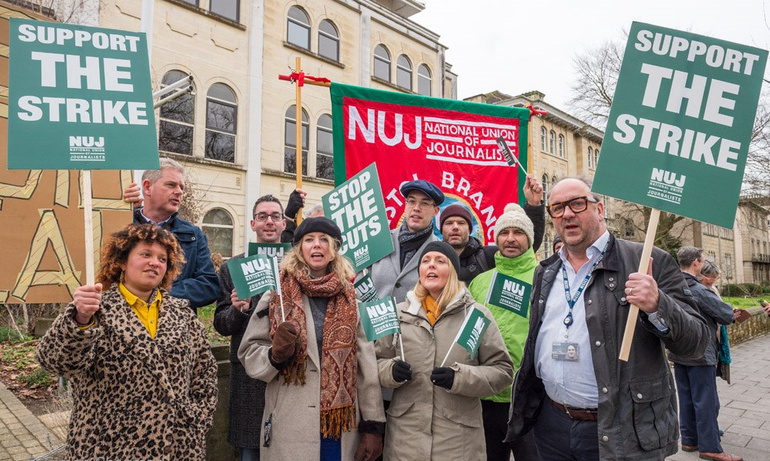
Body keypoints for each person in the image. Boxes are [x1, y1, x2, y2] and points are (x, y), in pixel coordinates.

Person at [507, 177, 709, 460]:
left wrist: (658, 304)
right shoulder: (546, 270)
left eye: (577, 203)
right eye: (557, 208)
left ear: (600, 210)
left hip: (620, 428)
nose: (567, 214)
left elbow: (696, 343)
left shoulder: (647, 260)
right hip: (550, 424)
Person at [36, 224, 218, 460]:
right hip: (109, 446)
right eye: (146, 255)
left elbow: (205, 372)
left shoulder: (182, 314)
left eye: (162, 259)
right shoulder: (93, 309)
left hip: (176, 446)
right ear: (122, 261)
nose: (155, 262)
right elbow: (57, 363)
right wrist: (80, 319)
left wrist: (198, 419)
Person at [238, 217, 386, 460]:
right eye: (309, 240)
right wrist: (274, 356)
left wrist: (373, 427)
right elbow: (249, 351)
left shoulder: (351, 301)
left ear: (334, 250)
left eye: (324, 240)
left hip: (337, 426)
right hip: (289, 422)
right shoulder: (275, 296)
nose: (317, 245)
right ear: (299, 249)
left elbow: (366, 369)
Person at [375, 241, 513, 461]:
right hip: (406, 442)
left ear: (453, 270)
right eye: (426, 261)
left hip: (458, 444)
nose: (431, 266)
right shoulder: (396, 313)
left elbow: (502, 371)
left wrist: (459, 378)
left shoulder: (476, 315)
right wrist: (390, 372)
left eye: (440, 261)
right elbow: (376, 362)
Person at [214, 194, 288, 460]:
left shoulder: (298, 266)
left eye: (275, 216)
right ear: (253, 224)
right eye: (262, 216)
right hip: (249, 375)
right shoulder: (232, 268)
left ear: (283, 224)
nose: (269, 221)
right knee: (251, 451)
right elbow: (221, 324)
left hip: (290, 371)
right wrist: (237, 310)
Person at [468, 203, 540, 460]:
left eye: (518, 233)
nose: (510, 238)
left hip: (529, 400)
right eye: (504, 232)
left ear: (529, 239)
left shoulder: (544, 277)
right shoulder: (480, 282)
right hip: (486, 399)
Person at [671, 247, 742, 461]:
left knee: (685, 398)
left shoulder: (671, 284)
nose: (703, 263)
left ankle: (689, 439)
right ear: (695, 263)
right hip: (701, 351)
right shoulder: (699, 289)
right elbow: (725, 314)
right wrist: (732, 313)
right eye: (702, 260)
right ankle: (711, 447)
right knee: (705, 400)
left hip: (678, 350)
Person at [123, 158, 219, 311]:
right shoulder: (123, 226)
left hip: (175, 328)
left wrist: (158, 293)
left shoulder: (193, 234)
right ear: (147, 187)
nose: (179, 192)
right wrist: (116, 205)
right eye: (171, 185)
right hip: (127, 322)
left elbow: (208, 285)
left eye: (181, 187)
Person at [441, 174, 546, 283]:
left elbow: (526, 247)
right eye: (449, 223)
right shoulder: (432, 256)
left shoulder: (487, 256)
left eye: (461, 223)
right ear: (441, 229)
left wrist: (534, 205)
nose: (455, 227)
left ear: (470, 229)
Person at [369, 179, 444, 304]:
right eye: (411, 201)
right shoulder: (380, 240)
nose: (416, 208)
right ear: (405, 205)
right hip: (373, 321)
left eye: (424, 204)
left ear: (435, 211)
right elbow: (361, 283)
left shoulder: (441, 252)